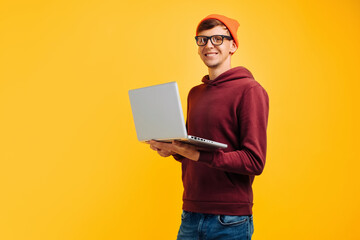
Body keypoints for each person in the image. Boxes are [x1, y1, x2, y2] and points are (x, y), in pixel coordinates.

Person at [149, 14, 269, 240]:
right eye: (202, 40)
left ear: (233, 45)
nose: (208, 45)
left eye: (217, 39)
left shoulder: (250, 90)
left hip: (230, 219)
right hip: (191, 213)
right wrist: (172, 149)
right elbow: (190, 151)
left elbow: (255, 161)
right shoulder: (195, 94)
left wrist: (198, 154)